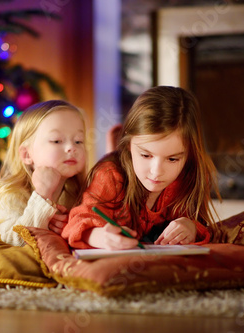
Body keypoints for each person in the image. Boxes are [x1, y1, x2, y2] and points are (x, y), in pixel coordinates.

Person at [62, 86, 220, 250]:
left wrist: (191, 227)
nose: (157, 171)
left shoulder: (189, 177)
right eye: (146, 155)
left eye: (172, 159)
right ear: (129, 144)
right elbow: (77, 222)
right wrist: (100, 237)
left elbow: (202, 226)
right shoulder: (110, 174)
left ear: (189, 155)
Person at [0, 100, 88, 246]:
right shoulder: (10, 195)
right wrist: (42, 196)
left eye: (78, 141)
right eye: (56, 141)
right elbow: (15, 243)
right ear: (27, 155)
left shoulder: (76, 192)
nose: (71, 148)